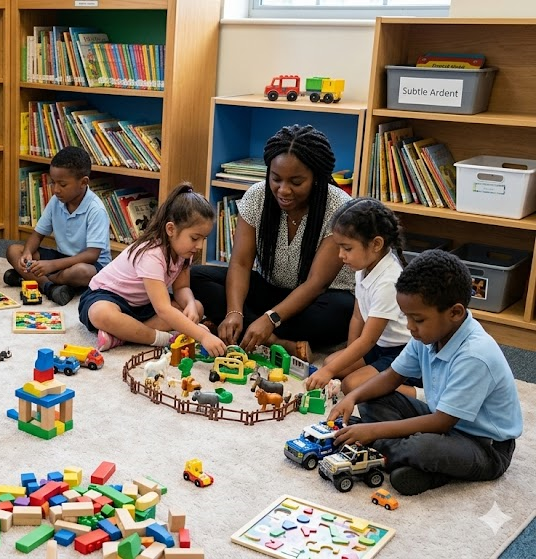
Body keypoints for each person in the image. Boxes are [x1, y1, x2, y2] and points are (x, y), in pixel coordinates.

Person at [329, 249, 522, 496]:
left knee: (424, 448)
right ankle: (408, 460)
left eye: (417, 319)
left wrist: (373, 431)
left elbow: (442, 422)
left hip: (485, 447)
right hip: (441, 421)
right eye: (407, 317)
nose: (410, 327)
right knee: (370, 395)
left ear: (455, 313)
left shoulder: (475, 355)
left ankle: (386, 450)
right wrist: (352, 397)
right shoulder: (427, 336)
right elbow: (391, 377)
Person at [189, 124, 354, 360]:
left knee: (342, 310)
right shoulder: (257, 195)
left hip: (317, 299)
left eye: (296, 182)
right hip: (271, 292)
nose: (283, 190)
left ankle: (253, 330)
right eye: (276, 179)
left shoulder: (338, 206)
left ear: (316, 178)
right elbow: (241, 264)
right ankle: (275, 341)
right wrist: (234, 311)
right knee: (196, 276)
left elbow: (316, 283)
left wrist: (270, 319)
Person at [78, 183, 227, 355]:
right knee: (101, 314)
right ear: (171, 229)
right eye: (195, 238)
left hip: (144, 304)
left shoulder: (184, 251)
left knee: (198, 309)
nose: (200, 245)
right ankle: (160, 338)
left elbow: (182, 288)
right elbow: (163, 308)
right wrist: (203, 336)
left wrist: (191, 304)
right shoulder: (152, 254)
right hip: (108, 295)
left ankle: (123, 335)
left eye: (203, 238)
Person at [305, 198, 414, 398]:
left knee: (351, 385)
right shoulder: (363, 267)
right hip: (379, 346)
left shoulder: (388, 281)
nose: (340, 255)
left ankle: (418, 393)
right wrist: (348, 355)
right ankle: (372, 376)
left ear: (376, 244)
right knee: (330, 362)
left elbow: (367, 340)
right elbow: (357, 317)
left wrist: (330, 371)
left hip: (402, 352)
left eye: (347, 248)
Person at [4, 146, 111, 305]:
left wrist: (51, 265)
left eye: (62, 184)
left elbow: (91, 255)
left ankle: (30, 279)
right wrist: (27, 252)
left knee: (80, 272)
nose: (55, 190)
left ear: (83, 182)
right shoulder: (56, 201)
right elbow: (37, 234)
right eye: (53, 183)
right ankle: (49, 286)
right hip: (62, 258)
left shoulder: (96, 210)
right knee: (14, 251)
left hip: (90, 264)